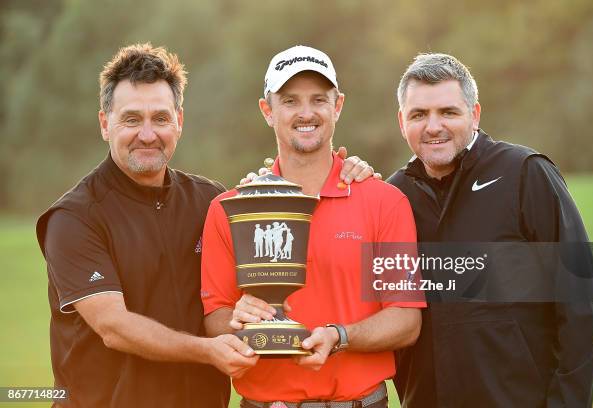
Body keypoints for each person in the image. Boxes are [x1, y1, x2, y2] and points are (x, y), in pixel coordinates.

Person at [35, 43, 375, 408]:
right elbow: (113, 327)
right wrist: (206, 350)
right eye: (132, 119)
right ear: (105, 124)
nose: (148, 134)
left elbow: (236, 296)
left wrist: (346, 172)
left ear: (179, 121)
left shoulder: (210, 200)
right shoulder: (73, 217)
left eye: (161, 119)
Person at [201, 45, 425, 407]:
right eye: (290, 100)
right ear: (267, 111)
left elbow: (405, 319)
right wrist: (239, 319)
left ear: (337, 106)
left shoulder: (386, 203)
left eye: (318, 100)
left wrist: (340, 336)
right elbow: (215, 319)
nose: (306, 113)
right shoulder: (229, 210)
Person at [387, 53, 593, 407]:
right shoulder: (393, 195)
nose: (433, 126)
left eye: (448, 112)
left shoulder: (525, 173)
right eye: (419, 114)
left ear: (474, 114)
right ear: (401, 121)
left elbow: (581, 302)